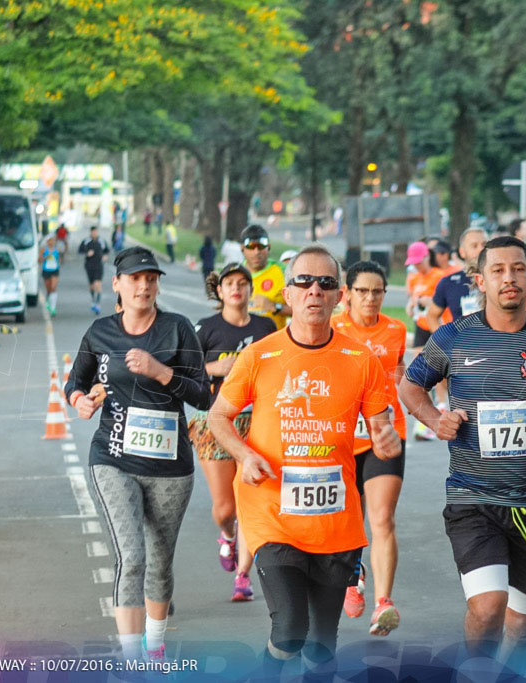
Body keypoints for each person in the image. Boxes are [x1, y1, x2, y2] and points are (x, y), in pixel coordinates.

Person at [398, 235, 526, 660]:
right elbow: (410, 385)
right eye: (498, 270)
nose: (510, 278)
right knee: (488, 608)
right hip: (473, 500)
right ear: (480, 281)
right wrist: (435, 419)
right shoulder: (453, 337)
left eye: (519, 269)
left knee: (523, 625)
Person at [208, 245, 401, 679]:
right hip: (271, 515)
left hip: (335, 522)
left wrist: (386, 440)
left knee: (320, 644)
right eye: (304, 282)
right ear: (289, 295)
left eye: (326, 283)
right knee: (291, 629)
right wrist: (244, 453)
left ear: (339, 298)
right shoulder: (260, 356)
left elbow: (380, 429)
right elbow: (219, 417)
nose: (315, 290)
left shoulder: (360, 360)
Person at [65, 246, 210, 663]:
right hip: (113, 457)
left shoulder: (178, 330)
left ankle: (154, 647)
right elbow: (76, 381)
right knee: (133, 557)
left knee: (160, 563)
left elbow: (204, 395)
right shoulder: (100, 332)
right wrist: (80, 401)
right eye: (134, 279)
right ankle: (131, 661)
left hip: (170, 465)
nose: (144, 286)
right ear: (117, 284)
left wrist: (160, 371)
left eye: (151, 278)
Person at [191, 264, 276, 602]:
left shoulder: (264, 327)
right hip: (216, 420)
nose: (237, 289)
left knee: (250, 503)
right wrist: (215, 367)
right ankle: (227, 536)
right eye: (230, 284)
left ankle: (242, 575)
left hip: (258, 420)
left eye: (243, 283)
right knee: (226, 509)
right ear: (220, 291)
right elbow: (184, 369)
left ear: (250, 290)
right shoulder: (206, 328)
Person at [332, 261, 408, 636]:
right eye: (362, 291)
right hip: (341, 437)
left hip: (386, 434)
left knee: (381, 518)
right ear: (347, 293)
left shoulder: (396, 330)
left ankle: (384, 603)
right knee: (348, 520)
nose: (370, 298)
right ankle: (352, 574)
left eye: (377, 291)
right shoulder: (331, 328)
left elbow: (399, 374)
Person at [427, 227, 488, 330]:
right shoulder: (449, 283)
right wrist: (443, 343)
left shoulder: (501, 279)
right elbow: (432, 316)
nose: (481, 249)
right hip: (463, 344)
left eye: (485, 245)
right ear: (462, 252)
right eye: (474, 246)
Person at [240, 224, 290, 328]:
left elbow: (301, 309)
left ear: (269, 247)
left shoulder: (283, 271)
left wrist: (275, 307)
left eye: (261, 246)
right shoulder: (235, 274)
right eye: (251, 247)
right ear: (242, 248)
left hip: (274, 341)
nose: (256, 252)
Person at [405, 241, 443, 349]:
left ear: (427, 257)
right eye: (414, 263)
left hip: (437, 325)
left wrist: (430, 301)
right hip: (421, 325)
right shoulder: (415, 277)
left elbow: (446, 301)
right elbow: (412, 297)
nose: (416, 266)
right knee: (418, 361)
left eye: (418, 262)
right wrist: (410, 306)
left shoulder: (439, 276)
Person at [78, 226, 110, 315]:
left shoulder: (102, 241)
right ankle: (93, 300)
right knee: (92, 286)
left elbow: (106, 250)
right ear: (90, 232)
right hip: (89, 265)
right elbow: (80, 250)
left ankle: (98, 304)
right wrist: (87, 253)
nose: (95, 233)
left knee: (98, 284)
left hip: (99, 265)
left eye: (96, 232)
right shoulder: (86, 241)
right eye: (93, 232)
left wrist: (105, 256)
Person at [40, 235, 61, 316]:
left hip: (55, 270)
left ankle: (53, 308)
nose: (51, 242)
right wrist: (46, 257)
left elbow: (59, 259)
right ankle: (48, 300)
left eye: (53, 240)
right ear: (47, 242)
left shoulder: (56, 250)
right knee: (49, 289)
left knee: (53, 287)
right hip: (46, 270)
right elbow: (39, 260)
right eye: (49, 240)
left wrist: (58, 260)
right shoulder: (43, 250)